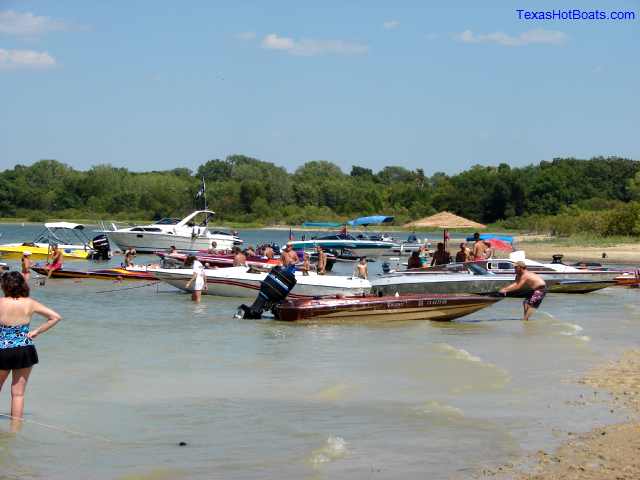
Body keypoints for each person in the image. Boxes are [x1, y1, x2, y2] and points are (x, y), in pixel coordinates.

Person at [0, 271, 62, 431]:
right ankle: (15, 430)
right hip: (25, 349)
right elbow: (55, 317)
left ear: (4, 286)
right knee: (18, 393)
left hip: (2, 350)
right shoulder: (30, 303)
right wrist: (36, 332)